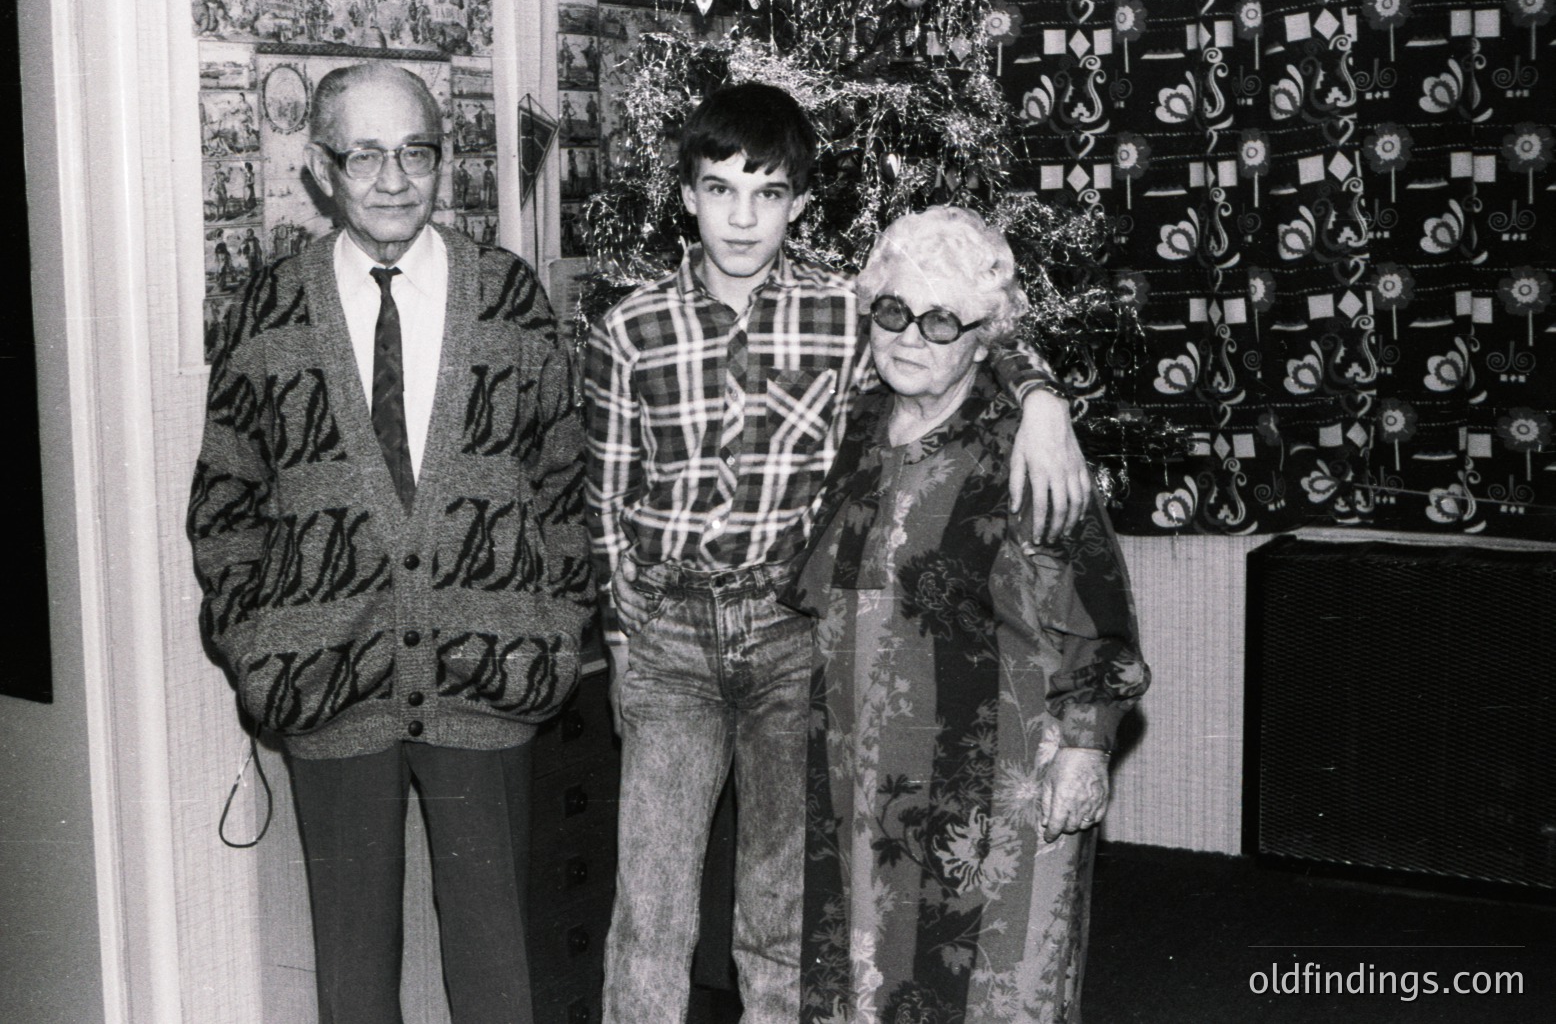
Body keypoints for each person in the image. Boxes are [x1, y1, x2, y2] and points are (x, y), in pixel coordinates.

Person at [582, 82, 1093, 1024]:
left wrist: (1043, 397)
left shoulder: (842, 315)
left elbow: (958, 339)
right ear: (686, 196)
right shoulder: (629, 328)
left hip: (788, 639)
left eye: (767, 192)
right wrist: (623, 642)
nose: (743, 215)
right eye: (721, 188)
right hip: (669, 642)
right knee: (650, 909)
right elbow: (609, 503)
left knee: (781, 909)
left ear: (799, 204)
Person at [187, 62, 591, 1024]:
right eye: (364, 155)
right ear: (321, 170)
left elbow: (565, 486)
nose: (394, 178)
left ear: (440, 160)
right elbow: (224, 502)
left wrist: (553, 631)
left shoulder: (508, 297)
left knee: (501, 975)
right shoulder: (270, 309)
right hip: (327, 686)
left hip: (489, 683)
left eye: (416, 150)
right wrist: (258, 649)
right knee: (353, 979)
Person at [785, 206, 1151, 1023]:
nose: (911, 336)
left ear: (983, 338)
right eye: (893, 311)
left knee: (984, 993)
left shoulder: (1026, 450)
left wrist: (1085, 751)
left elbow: (1101, 621)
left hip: (987, 791)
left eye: (942, 320)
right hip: (856, 781)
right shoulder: (854, 430)